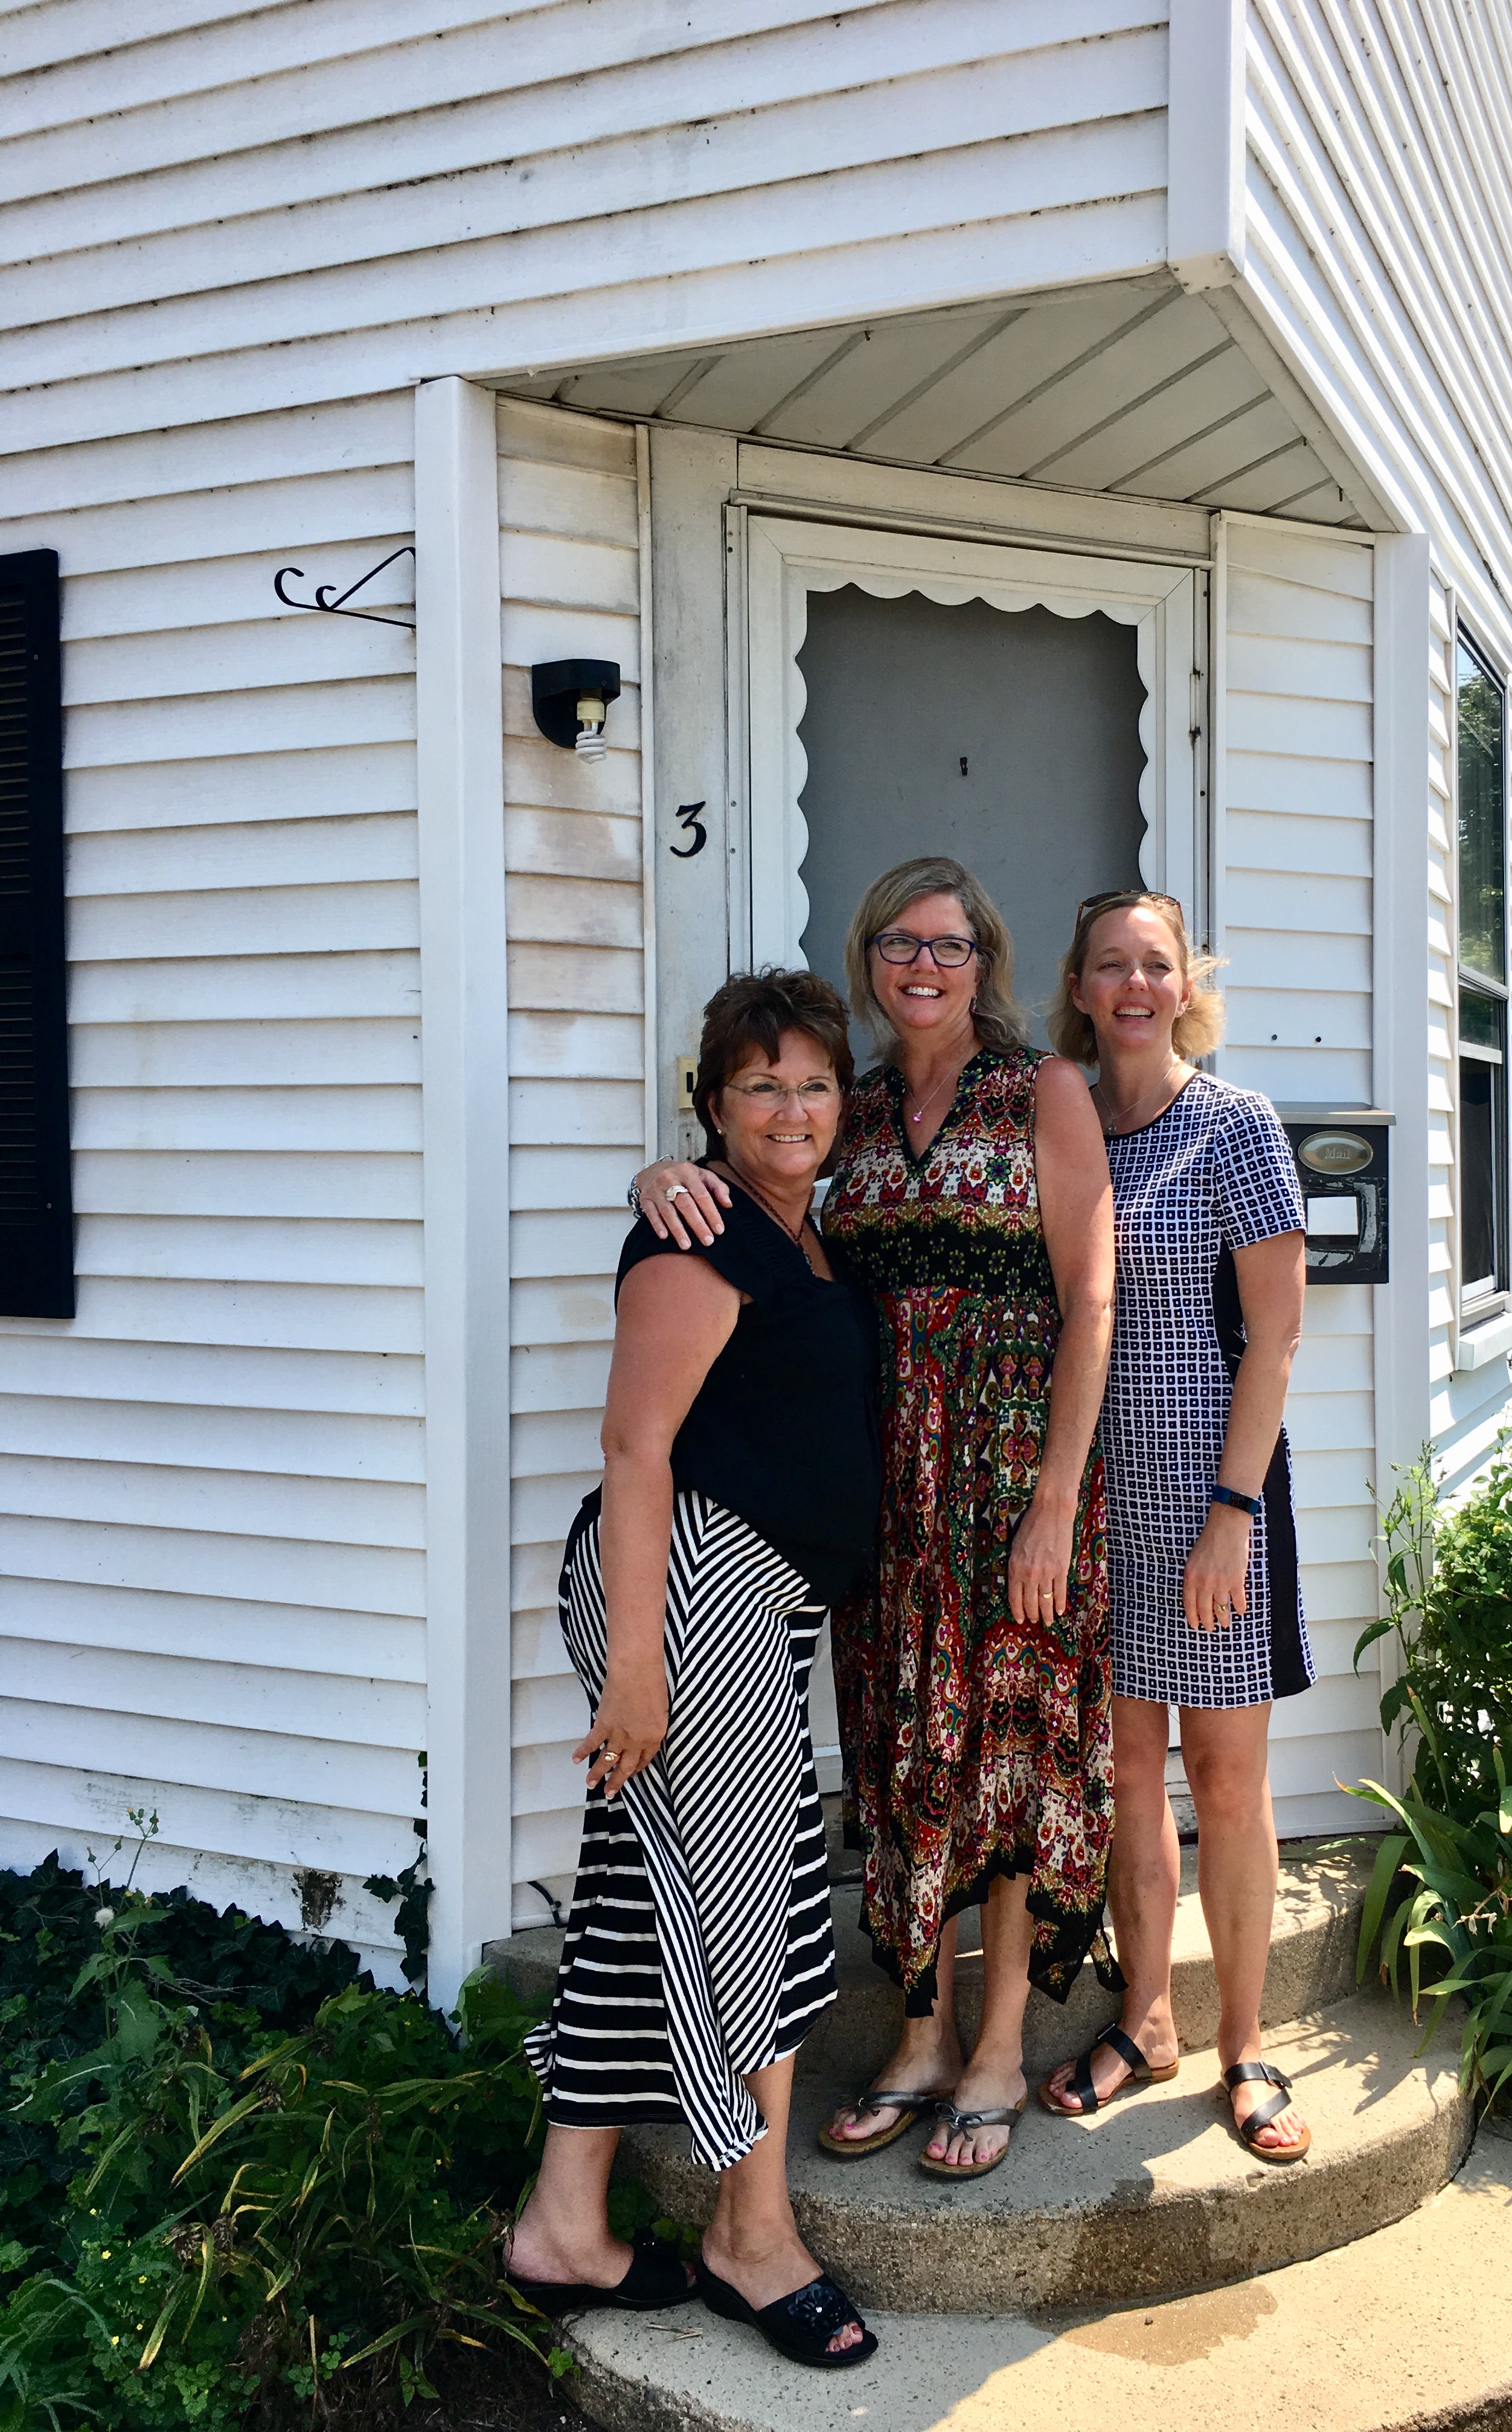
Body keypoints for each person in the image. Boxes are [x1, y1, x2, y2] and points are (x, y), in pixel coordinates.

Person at [633, 857, 1115, 2178]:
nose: (923, 964)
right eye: (897, 941)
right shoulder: (843, 1110)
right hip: (883, 1489)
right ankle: (918, 2038)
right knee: (906, 1757)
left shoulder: (1042, 1092)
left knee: (1008, 1758)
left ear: (986, 959)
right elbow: (762, 1182)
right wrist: (659, 1178)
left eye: (949, 944)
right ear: (868, 958)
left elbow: (1094, 1303)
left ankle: (1000, 2047)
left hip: (1017, 1480)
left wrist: (1057, 1503)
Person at [511, 969, 882, 2367]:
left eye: (813, 1084)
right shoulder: (698, 1237)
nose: (792, 1109)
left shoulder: (802, 1230)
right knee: (762, 1919)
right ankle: (752, 2231)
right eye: (760, 1086)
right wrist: (634, 1671)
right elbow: (635, 1453)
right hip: (694, 1600)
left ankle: (564, 2227)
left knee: (631, 1903)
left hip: (754, 1604)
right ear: (712, 1107)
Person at [1036, 892, 1314, 2164]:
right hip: (1099, 1508)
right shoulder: (1065, 1120)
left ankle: (1246, 2047)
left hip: (1217, 1502)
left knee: (1226, 1779)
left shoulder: (1237, 1126)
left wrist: (1231, 1517)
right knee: (1127, 1774)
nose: (1135, 985)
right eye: (1111, 966)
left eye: (1157, 964)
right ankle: (1145, 2019)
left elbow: (1277, 1335)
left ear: (1186, 980)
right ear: (1081, 987)